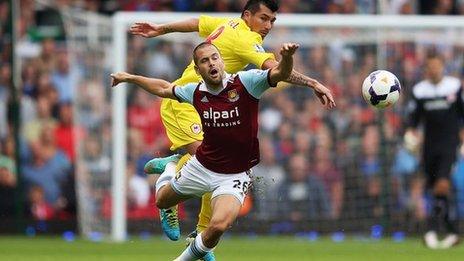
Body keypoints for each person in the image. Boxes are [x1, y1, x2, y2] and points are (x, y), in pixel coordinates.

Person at [129, 0, 335, 247]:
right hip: (186, 103)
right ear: (247, 15)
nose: (268, 25)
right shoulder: (245, 40)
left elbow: (196, 23)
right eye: (263, 18)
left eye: (272, 20)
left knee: (215, 167)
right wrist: (313, 82)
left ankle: (200, 232)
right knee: (210, 162)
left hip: (203, 103)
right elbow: (278, 70)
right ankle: (171, 193)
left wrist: (162, 29)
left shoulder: (229, 23)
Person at [111, 41, 303, 260]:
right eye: (204, 60)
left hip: (234, 175)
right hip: (201, 167)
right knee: (162, 201)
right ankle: (171, 166)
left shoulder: (246, 82)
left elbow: (280, 72)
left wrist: (287, 57)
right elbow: (163, 88)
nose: (211, 63)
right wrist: (130, 78)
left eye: (214, 57)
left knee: (219, 226)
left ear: (222, 61)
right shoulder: (195, 91)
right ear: (197, 70)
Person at [405, 53, 462, 249]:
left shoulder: (454, 87)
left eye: (437, 66)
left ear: (442, 66)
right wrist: (411, 135)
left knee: (442, 185)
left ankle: (430, 229)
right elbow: (413, 119)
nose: (434, 70)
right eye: (430, 66)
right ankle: (452, 231)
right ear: (426, 69)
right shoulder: (420, 91)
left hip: (449, 144)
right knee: (433, 189)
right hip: (429, 146)